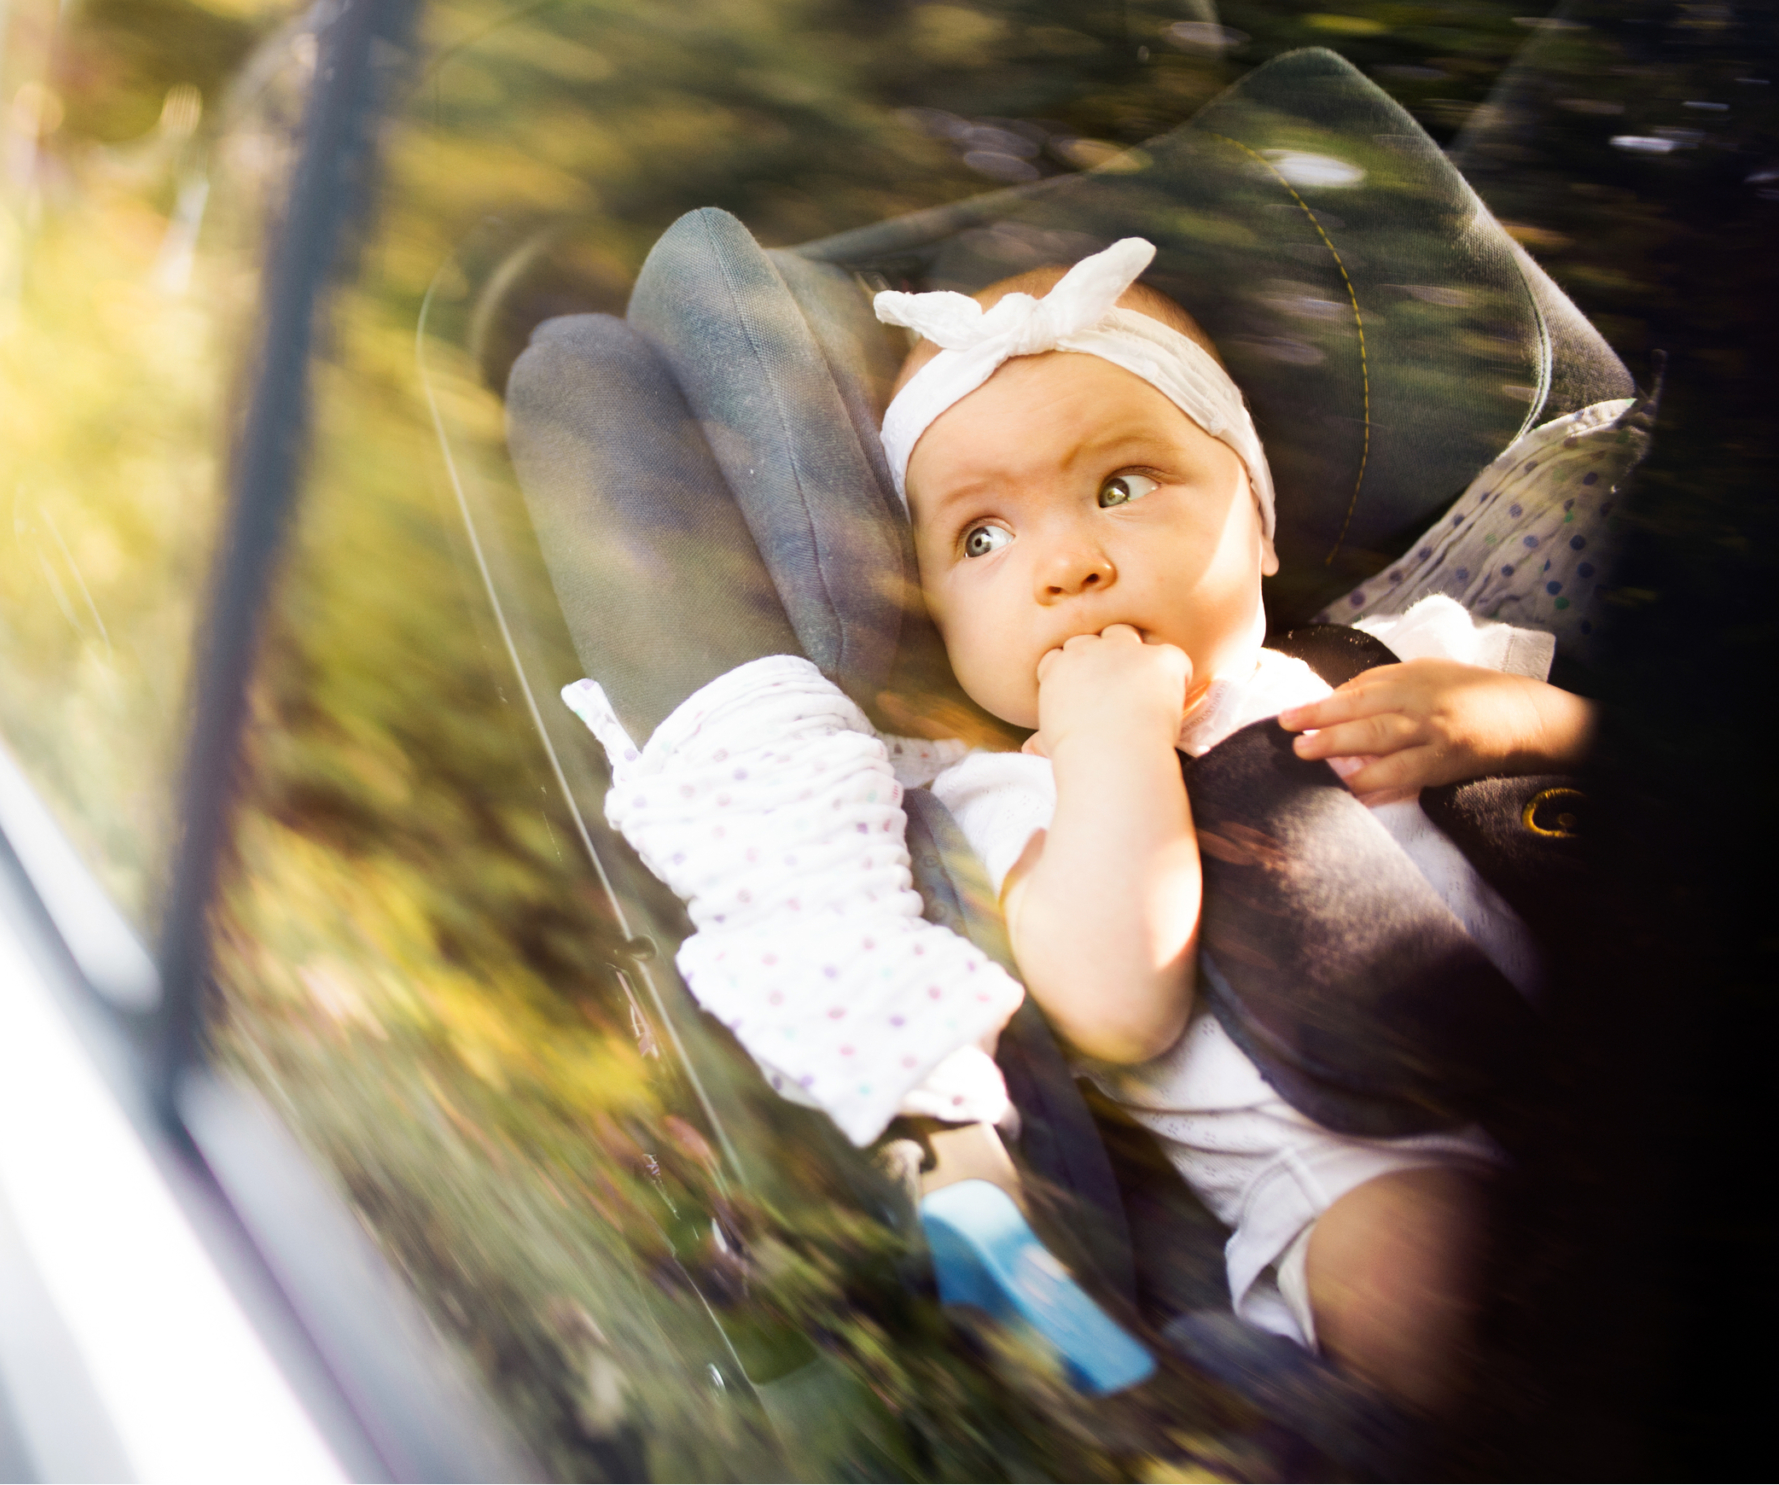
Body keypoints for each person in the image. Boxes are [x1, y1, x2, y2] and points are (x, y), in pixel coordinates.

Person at [568, 237, 1591, 1411]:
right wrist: (1112, 744)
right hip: (1356, 1175)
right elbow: (1118, 1003)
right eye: (981, 539)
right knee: (1422, 1270)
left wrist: (1518, 719)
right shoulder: (999, 801)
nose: (1065, 563)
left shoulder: (1404, 648)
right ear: (943, 624)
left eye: (1120, 487)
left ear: (1255, 525)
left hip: (1598, 1065)